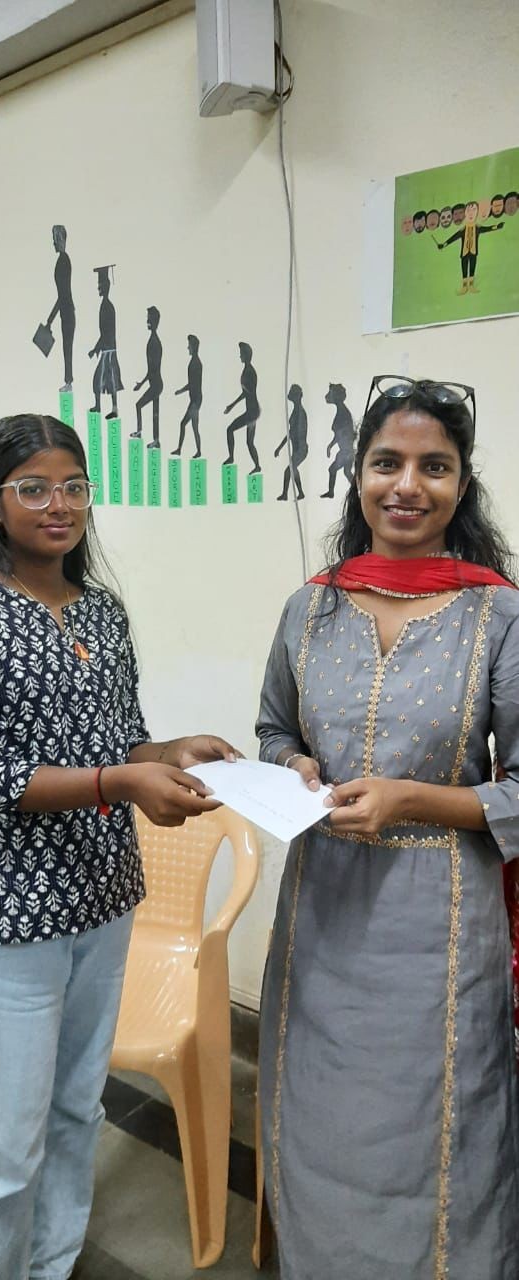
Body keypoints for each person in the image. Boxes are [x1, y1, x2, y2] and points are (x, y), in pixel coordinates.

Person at [0, 413, 239, 1280]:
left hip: (103, 902)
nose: (57, 504)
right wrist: (123, 782)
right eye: (33, 488)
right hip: (10, 915)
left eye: (73, 486)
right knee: (2, 1152)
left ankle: (51, 1264)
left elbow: (121, 739)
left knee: (75, 1114)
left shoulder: (101, 610)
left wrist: (169, 752)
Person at [256, 375, 519, 1280]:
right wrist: (292, 764)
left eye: (433, 467)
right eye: (387, 463)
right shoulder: (311, 606)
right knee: (324, 1120)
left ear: (461, 485)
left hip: (440, 922)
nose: (408, 486)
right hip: (321, 914)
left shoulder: (499, 612)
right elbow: (275, 728)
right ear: (358, 474)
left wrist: (410, 799)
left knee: (433, 1126)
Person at [89, 264, 123, 420]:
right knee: (107, 380)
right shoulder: (105, 306)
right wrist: (97, 348)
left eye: (100, 285)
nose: (98, 288)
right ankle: (102, 406)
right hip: (107, 349)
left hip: (108, 351)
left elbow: (106, 332)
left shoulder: (107, 307)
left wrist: (96, 348)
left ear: (105, 287)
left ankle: (111, 408)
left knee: (108, 380)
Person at [223, 342, 261, 474]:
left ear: (246, 355)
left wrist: (232, 406)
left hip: (252, 412)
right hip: (252, 411)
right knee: (249, 442)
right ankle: (256, 466)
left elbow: (246, 393)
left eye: (241, 354)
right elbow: (246, 392)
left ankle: (233, 458)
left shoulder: (250, 372)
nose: (240, 356)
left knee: (231, 430)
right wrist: (232, 406)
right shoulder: (247, 370)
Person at [46, 225, 75, 393]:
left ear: (61, 239)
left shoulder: (63, 261)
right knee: (66, 347)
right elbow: (62, 295)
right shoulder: (62, 260)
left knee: (67, 347)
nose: (53, 243)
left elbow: (63, 294)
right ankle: (68, 381)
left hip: (67, 310)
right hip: (66, 310)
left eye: (55, 239)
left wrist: (50, 319)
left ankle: (69, 382)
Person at [132, 305, 163, 449]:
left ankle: (140, 432)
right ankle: (156, 440)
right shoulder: (153, 340)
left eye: (149, 319)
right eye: (147, 318)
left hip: (156, 384)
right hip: (156, 383)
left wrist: (141, 384)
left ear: (155, 321)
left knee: (139, 405)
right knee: (155, 412)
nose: (147, 321)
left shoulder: (154, 342)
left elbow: (152, 369)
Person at [274, 383, 308, 501]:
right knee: (293, 470)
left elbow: (297, 433)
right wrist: (279, 448)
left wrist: (294, 448)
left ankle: (285, 494)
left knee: (289, 471)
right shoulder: (296, 411)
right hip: (297, 449)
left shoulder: (300, 413)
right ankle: (300, 493)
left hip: (301, 449)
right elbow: (290, 433)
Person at [172, 333, 203, 458]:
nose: (188, 347)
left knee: (185, 424)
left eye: (189, 345)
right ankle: (195, 451)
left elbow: (192, 384)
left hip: (196, 400)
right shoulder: (195, 362)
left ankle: (182, 450)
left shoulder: (196, 363)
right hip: (196, 399)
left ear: (193, 347)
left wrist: (180, 391)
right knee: (192, 426)